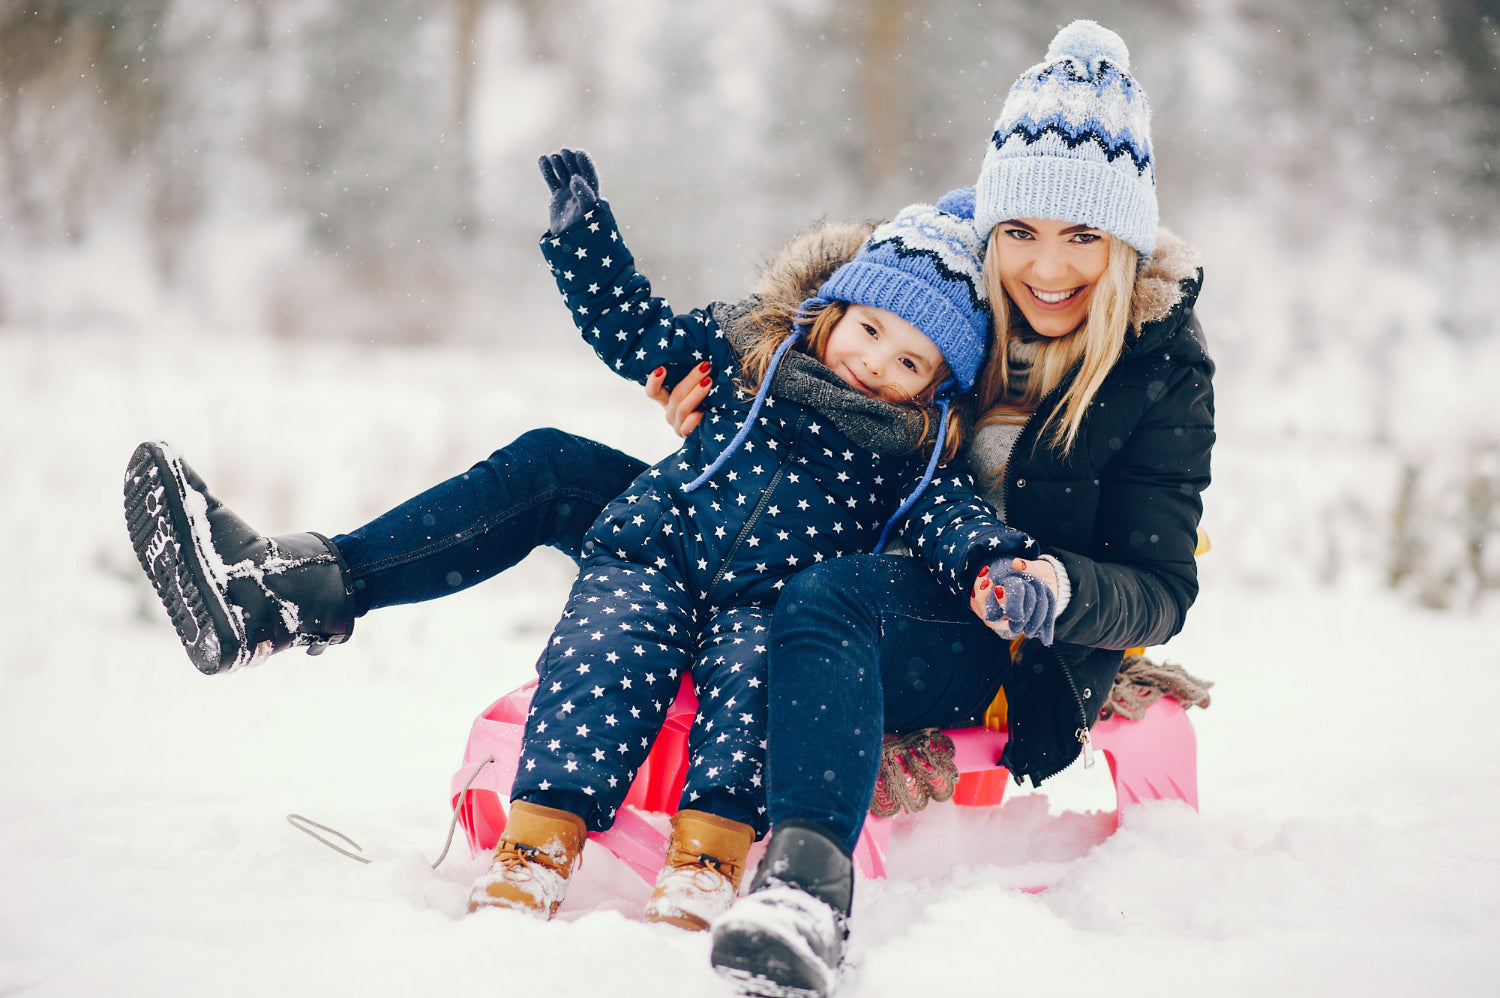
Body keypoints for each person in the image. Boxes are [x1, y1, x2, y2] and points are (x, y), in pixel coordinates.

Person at [123, 152, 1048, 930]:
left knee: (755, 690)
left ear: (938, 384)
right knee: (598, 652)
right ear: (832, 312)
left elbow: (954, 525)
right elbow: (634, 329)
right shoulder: (748, 359)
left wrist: (997, 565)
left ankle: (709, 859)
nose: (874, 363)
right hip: (657, 550)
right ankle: (523, 824)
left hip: (775, 603)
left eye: (908, 361)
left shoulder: (914, 457)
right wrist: (584, 240)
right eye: (869, 330)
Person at [704, 20, 1213, 997]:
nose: (1048, 269)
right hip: (859, 553)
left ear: (1123, 240)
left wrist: (1058, 586)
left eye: (1082, 236)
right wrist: (722, 382)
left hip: (1012, 639)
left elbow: (1161, 586)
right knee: (598, 493)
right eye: (1020, 232)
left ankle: (804, 893)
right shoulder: (954, 302)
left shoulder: (1160, 369)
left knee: (829, 599)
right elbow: (816, 340)